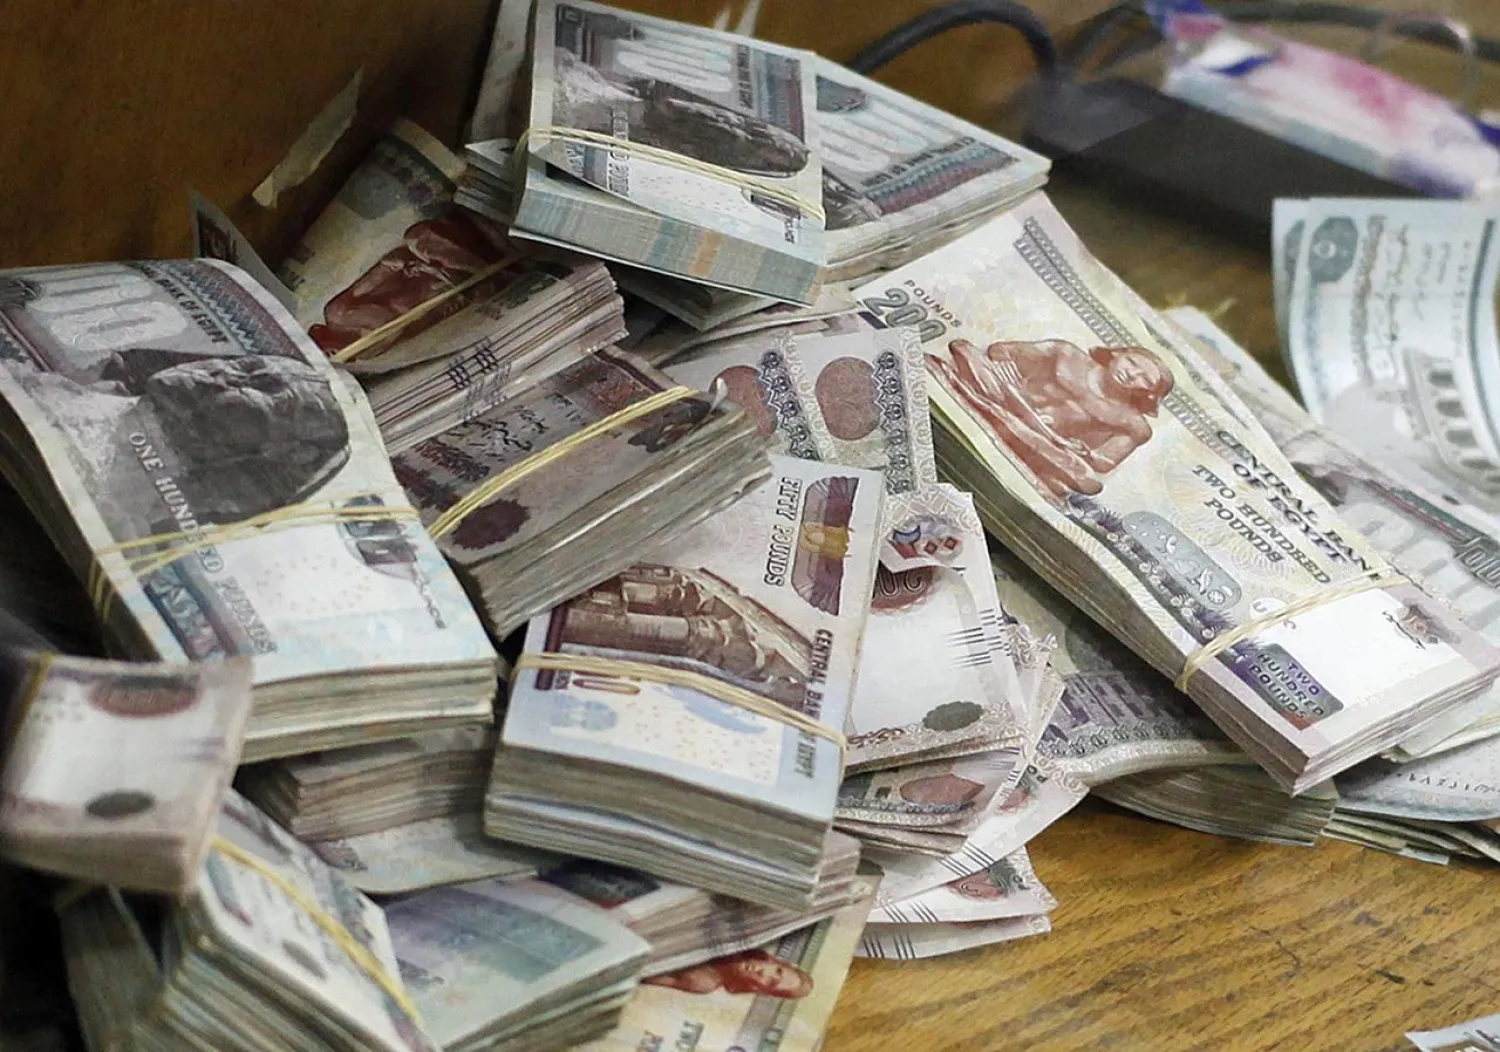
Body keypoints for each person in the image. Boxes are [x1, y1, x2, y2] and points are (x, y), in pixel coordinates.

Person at [928, 338, 1175, 499]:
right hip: (1007, 397)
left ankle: (971, 399)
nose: (1131, 374)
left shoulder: (1133, 424)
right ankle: (991, 409)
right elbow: (999, 350)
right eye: (1131, 362)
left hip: (1044, 441)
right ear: (1115, 354)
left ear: (1150, 393)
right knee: (965, 350)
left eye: (1145, 379)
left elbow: (1102, 464)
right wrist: (1006, 365)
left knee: (1085, 480)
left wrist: (1085, 452)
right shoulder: (1065, 353)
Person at [644, 948, 815, 999]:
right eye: (777, 970)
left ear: (760, 989)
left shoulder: (703, 983)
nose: (764, 972)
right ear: (774, 961)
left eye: (770, 982)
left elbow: (644, 976)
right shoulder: (738, 942)